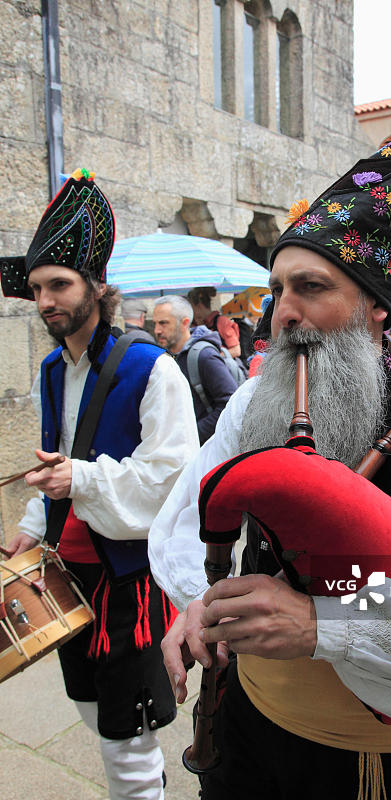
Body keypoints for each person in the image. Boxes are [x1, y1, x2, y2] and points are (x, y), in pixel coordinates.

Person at [148, 116, 391, 800]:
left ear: (375, 309)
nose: (281, 314)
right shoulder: (251, 405)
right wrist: (192, 602)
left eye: (312, 288)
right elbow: (189, 507)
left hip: (353, 759)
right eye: (278, 291)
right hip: (240, 724)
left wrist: (328, 625)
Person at [1, 169, 199, 800]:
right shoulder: (52, 368)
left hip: (126, 583)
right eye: (36, 289)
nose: (46, 301)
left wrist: (78, 476)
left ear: (96, 286)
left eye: (58, 284)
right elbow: (56, 464)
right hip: (65, 575)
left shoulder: (152, 367)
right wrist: (31, 527)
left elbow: (170, 480)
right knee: (92, 711)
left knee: (128, 739)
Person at [153, 295, 238, 444]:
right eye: (155, 324)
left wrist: (192, 435)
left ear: (185, 323)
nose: (157, 330)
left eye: (163, 323)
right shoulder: (167, 357)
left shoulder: (204, 356)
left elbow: (230, 404)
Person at [187, 286, 242, 358]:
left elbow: (236, 351)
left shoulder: (221, 322)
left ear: (199, 306)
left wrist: (212, 359)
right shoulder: (194, 324)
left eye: (191, 308)